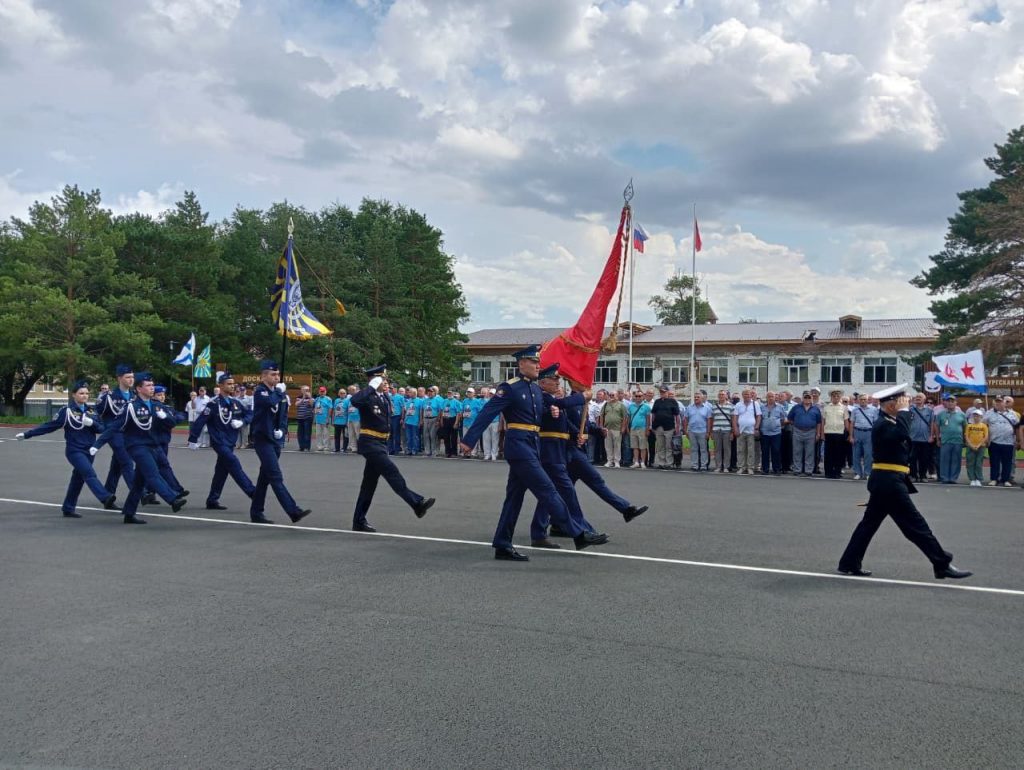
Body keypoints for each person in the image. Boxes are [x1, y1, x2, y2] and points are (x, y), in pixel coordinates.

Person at [459, 346, 605, 561]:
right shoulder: (510, 388)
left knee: (514, 498)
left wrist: (562, 405)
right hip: (519, 447)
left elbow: (555, 404)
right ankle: (578, 533)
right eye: (534, 362)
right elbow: (488, 412)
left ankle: (502, 544)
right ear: (521, 364)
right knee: (547, 489)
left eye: (538, 362)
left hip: (533, 446)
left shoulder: (536, 390)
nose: (538, 366)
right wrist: (469, 440)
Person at [837, 383, 972, 580]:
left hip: (888, 481)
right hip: (889, 483)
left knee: (869, 525)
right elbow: (902, 434)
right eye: (902, 401)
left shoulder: (891, 422)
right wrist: (904, 412)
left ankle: (849, 562)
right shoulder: (883, 424)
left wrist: (902, 413)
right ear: (892, 405)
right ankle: (941, 563)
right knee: (916, 525)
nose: (906, 404)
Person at [528, 366, 609, 548]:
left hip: (557, 452)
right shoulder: (542, 397)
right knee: (566, 492)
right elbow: (560, 405)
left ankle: (539, 532)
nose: (558, 383)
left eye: (558, 380)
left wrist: (577, 434)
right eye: (554, 380)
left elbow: (563, 419)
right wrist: (583, 396)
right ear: (543, 382)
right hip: (549, 453)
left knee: (550, 495)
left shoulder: (551, 399)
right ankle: (583, 531)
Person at [91, 372, 188, 524]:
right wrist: (97, 445)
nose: (152, 388)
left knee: (138, 483)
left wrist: (166, 417)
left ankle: (129, 513)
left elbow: (172, 423)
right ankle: (172, 499)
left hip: (153, 446)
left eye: (152, 385)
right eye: (148, 385)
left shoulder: (156, 406)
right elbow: (114, 427)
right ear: (138, 389)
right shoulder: (131, 407)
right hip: (137, 446)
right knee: (152, 473)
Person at [350, 365, 435, 532]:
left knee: (368, 485)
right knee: (392, 472)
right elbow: (354, 401)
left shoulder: (385, 397)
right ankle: (416, 503)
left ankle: (358, 521)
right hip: (370, 443)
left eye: (385, 379)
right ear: (374, 380)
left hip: (381, 443)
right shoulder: (367, 396)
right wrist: (371, 387)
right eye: (381, 379)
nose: (385, 382)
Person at [16, 380, 119, 516]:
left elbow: (102, 429)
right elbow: (49, 426)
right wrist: (27, 434)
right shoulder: (67, 411)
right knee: (89, 473)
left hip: (89, 450)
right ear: (74, 395)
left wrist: (92, 423)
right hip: (75, 451)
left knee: (78, 479)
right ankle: (105, 497)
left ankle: (68, 508)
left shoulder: (92, 411)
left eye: (86, 393)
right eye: (81, 393)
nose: (84, 396)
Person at [187, 372, 260, 516]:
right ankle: (253, 492)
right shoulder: (213, 404)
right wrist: (193, 439)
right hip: (219, 442)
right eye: (229, 384)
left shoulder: (235, 402)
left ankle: (212, 499)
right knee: (234, 463)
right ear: (220, 386)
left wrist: (242, 422)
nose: (232, 386)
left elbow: (250, 414)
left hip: (230, 441)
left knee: (221, 471)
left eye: (233, 384)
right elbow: (201, 421)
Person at [248, 360, 311, 524]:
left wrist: (282, 430)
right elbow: (269, 402)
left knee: (264, 478)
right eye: (272, 374)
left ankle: (256, 512)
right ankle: (293, 511)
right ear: (263, 376)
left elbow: (283, 416)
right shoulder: (260, 391)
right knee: (275, 475)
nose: (276, 377)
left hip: (275, 440)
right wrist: (279, 392)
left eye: (277, 374)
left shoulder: (280, 394)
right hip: (262, 439)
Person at [94, 363, 137, 497]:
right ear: (119, 378)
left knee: (117, 464)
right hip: (114, 433)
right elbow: (97, 413)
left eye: (132, 377)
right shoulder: (109, 396)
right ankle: (139, 493)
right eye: (128, 377)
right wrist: (101, 427)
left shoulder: (134, 396)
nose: (131, 380)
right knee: (126, 461)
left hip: (128, 433)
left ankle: (108, 493)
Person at [151, 385, 188, 500]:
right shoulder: (154, 407)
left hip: (164, 440)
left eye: (163, 395)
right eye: (159, 395)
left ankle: (149, 492)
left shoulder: (166, 408)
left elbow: (180, 415)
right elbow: (170, 421)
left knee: (154, 468)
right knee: (162, 466)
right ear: (153, 396)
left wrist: (171, 418)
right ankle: (176, 490)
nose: (162, 397)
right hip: (154, 441)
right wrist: (171, 419)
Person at [983, 398, 1018, 487]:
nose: (998, 404)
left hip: (1009, 442)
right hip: (994, 441)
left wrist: (1017, 440)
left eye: (1000, 402)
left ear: (1004, 403)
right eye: (996, 402)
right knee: (994, 461)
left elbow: (1017, 426)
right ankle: (994, 479)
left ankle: (1005, 480)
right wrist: (986, 438)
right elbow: (983, 424)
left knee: (1007, 462)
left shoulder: (1012, 413)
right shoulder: (989, 413)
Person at [787, 391, 821, 476]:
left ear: (812, 398)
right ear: (802, 398)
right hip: (797, 431)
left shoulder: (816, 409)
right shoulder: (796, 407)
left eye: (809, 397)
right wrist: (796, 424)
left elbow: (819, 422)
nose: (807, 399)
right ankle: (797, 470)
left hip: (811, 431)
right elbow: (789, 418)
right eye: (805, 397)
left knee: (810, 452)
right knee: (797, 451)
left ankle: (808, 470)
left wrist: (818, 433)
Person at [935, 394, 966, 484]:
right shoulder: (941, 414)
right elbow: (937, 426)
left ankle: (953, 478)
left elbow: (965, 427)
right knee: (944, 460)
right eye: (948, 401)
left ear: (956, 403)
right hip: (945, 441)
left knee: (956, 460)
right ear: (945, 403)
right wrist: (937, 439)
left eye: (952, 401)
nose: (950, 403)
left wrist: (965, 439)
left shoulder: (961, 414)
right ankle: (944, 478)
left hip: (958, 441)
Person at [847, 393, 877, 480]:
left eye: (865, 399)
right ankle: (858, 473)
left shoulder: (874, 410)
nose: (863, 401)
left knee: (868, 454)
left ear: (868, 400)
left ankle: (868, 473)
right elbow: (852, 423)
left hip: (869, 433)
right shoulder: (855, 410)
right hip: (857, 432)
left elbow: (875, 424)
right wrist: (851, 436)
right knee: (856, 454)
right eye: (861, 399)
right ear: (858, 401)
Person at [651, 385, 681, 469]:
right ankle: (661, 463)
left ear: (667, 392)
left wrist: (677, 427)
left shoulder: (672, 401)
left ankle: (669, 463)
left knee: (668, 446)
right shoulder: (657, 401)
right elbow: (653, 414)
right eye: (661, 392)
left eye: (664, 392)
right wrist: (653, 425)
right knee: (660, 446)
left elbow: (677, 415)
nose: (662, 393)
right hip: (658, 426)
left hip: (669, 427)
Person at [732, 389, 761, 474]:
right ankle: (741, 467)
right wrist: (735, 428)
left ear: (751, 395)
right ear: (742, 395)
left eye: (748, 394)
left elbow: (758, 416)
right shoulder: (738, 404)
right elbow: (735, 417)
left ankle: (750, 467)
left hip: (751, 431)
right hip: (741, 431)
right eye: (745, 394)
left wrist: (756, 428)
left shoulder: (755, 404)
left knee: (751, 450)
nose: (747, 396)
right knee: (740, 450)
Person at [683, 391, 713, 471]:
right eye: (695, 397)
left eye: (698, 397)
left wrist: (708, 432)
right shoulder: (689, 407)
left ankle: (703, 465)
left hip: (703, 432)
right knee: (693, 449)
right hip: (692, 431)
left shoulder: (707, 408)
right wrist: (685, 430)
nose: (696, 398)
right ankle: (694, 465)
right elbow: (685, 419)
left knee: (703, 450)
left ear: (702, 398)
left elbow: (709, 421)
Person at [822, 390, 848, 479]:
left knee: (839, 453)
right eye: (834, 396)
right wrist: (822, 433)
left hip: (840, 433)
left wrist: (848, 433)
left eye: (838, 396)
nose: (836, 398)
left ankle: (837, 472)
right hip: (828, 432)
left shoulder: (844, 408)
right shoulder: (826, 407)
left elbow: (846, 421)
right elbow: (823, 421)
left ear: (840, 397)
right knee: (828, 454)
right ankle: (828, 472)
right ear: (831, 397)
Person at [759, 391, 786, 475]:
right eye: (769, 396)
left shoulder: (780, 407)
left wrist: (777, 425)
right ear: (766, 398)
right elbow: (760, 419)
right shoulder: (762, 407)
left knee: (776, 451)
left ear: (775, 397)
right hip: (765, 433)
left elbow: (783, 419)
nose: (770, 398)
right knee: (765, 451)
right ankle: (765, 469)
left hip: (776, 433)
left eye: (772, 396)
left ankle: (776, 469)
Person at [599, 389, 627, 468]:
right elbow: (601, 416)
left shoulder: (621, 405)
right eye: (610, 395)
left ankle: (617, 461)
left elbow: (625, 417)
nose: (611, 396)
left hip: (617, 428)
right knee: (608, 446)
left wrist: (623, 427)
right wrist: (601, 427)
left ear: (617, 396)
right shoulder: (605, 405)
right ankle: (609, 461)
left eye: (613, 395)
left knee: (617, 446)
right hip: (607, 428)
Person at [710, 390, 734, 473]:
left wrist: (732, 432)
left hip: (727, 430)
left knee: (727, 449)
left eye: (723, 394)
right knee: (717, 449)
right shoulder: (714, 406)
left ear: (726, 396)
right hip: (716, 430)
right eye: (720, 394)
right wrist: (711, 431)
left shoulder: (731, 406)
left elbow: (733, 420)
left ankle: (726, 467)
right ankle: (718, 466)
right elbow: (712, 419)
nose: (721, 396)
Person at [627, 390, 652, 470]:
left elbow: (648, 419)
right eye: (636, 396)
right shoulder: (630, 406)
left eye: (640, 396)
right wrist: (628, 428)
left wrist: (647, 429)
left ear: (643, 397)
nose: (638, 397)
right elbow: (628, 418)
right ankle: (636, 462)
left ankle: (643, 462)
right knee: (635, 446)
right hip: (633, 428)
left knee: (643, 446)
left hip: (642, 428)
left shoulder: (646, 406)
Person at [964, 411, 988, 487]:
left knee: (978, 463)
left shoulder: (984, 426)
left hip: (981, 447)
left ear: (981, 417)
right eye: (974, 416)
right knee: (970, 463)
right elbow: (966, 436)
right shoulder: (969, 426)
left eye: (977, 416)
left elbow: (985, 436)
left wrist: (978, 445)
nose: (976, 417)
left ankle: (978, 479)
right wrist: (971, 445)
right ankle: (972, 479)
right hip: (970, 447)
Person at [294, 385, 314, 452]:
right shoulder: (299, 397)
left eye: (308, 390)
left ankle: (307, 447)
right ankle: (301, 447)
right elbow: (296, 404)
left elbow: (312, 405)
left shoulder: (311, 398)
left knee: (307, 433)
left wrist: (309, 397)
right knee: (300, 433)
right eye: (305, 390)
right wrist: (303, 398)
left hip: (308, 418)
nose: (306, 391)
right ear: (302, 390)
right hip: (300, 418)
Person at [313, 386, 333, 452]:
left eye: (323, 391)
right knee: (318, 434)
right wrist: (314, 418)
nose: (322, 393)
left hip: (325, 419)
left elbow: (330, 409)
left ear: (325, 392)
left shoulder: (328, 399)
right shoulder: (317, 399)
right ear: (319, 392)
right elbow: (315, 408)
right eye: (321, 391)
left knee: (326, 434)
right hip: (318, 419)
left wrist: (328, 418)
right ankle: (320, 446)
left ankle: (326, 446)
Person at [236, 384, 253, 449]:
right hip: (238, 416)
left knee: (245, 432)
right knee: (238, 431)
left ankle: (244, 444)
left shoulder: (249, 398)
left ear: (245, 391)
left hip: (245, 416)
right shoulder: (236, 398)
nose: (242, 392)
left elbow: (249, 408)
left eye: (243, 390)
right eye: (241, 390)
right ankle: (238, 444)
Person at [332, 386, 348, 453]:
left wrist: (347, 421)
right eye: (341, 393)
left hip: (344, 421)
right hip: (337, 421)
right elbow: (334, 411)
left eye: (344, 393)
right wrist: (332, 420)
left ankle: (344, 448)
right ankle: (337, 448)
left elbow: (348, 411)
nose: (342, 394)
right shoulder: (336, 400)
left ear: (346, 394)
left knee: (345, 436)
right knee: (337, 436)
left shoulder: (347, 401)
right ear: (339, 394)